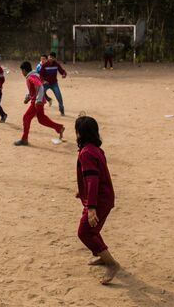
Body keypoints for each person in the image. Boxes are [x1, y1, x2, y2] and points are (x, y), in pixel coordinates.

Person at [74, 115, 120, 285]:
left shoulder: (86, 153)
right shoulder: (94, 149)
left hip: (99, 200)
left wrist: (92, 207)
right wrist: (83, 191)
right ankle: (102, 257)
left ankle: (112, 264)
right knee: (93, 231)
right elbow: (93, 177)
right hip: (103, 196)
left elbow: (93, 179)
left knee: (85, 232)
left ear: (79, 133)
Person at [14, 61, 65, 146]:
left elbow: (39, 86)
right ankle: (59, 128)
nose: (21, 73)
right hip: (39, 100)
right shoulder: (33, 75)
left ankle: (24, 139)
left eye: (22, 71)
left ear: (24, 70)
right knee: (41, 119)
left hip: (37, 102)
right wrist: (28, 97)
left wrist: (38, 100)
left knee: (26, 117)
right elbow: (34, 89)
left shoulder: (31, 77)